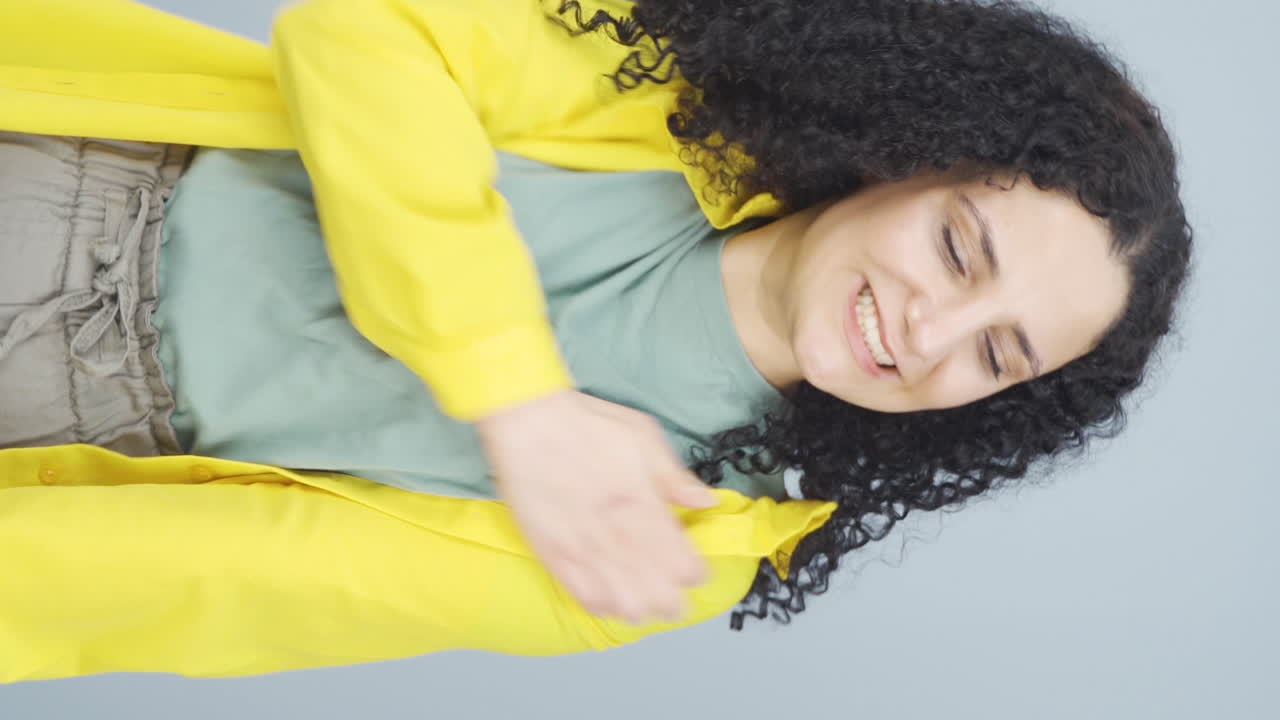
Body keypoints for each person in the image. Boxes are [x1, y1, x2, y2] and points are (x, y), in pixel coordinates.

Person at [0, 0, 1189, 664]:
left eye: (996, 356)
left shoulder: (700, 538)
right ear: (912, 161)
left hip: (70, 434)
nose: (934, 333)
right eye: (956, 249)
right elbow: (367, 34)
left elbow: (245, 580)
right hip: (73, 191)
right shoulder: (672, 93)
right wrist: (512, 395)